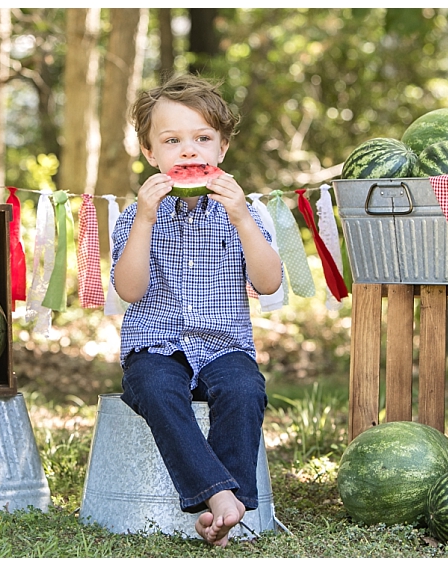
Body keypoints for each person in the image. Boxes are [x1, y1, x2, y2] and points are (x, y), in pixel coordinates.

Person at [111, 73, 283, 547]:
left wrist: (244, 218)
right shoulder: (135, 215)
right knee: (152, 387)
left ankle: (223, 504)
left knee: (244, 390)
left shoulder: (242, 213)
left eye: (202, 138)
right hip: (156, 346)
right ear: (150, 154)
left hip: (223, 345)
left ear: (222, 149)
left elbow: (268, 282)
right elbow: (130, 289)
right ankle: (225, 498)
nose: (188, 152)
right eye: (172, 141)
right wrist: (145, 219)